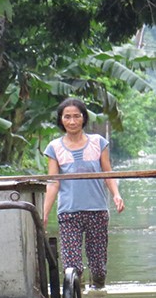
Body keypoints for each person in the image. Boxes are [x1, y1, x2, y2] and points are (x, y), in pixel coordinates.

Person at [43, 97, 125, 288]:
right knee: (72, 267)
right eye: (67, 117)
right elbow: (53, 182)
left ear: (83, 118)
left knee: (98, 268)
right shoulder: (54, 148)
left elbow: (108, 173)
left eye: (76, 116)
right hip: (69, 212)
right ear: (61, 120)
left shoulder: (98, 143)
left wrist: (116, 194)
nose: (72, 122)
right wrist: (45, 213)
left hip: (97, 210)